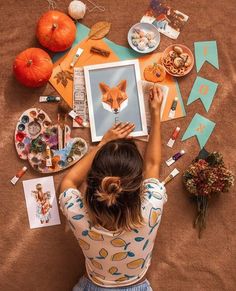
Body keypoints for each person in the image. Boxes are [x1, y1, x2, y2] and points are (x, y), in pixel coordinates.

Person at [59, 86, 167, 290]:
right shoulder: (152, 207)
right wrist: (156, 112)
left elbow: (69, 182)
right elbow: (153, 164)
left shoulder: (78, 216)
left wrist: (103, 142)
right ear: (138, 190)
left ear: (92, 185)